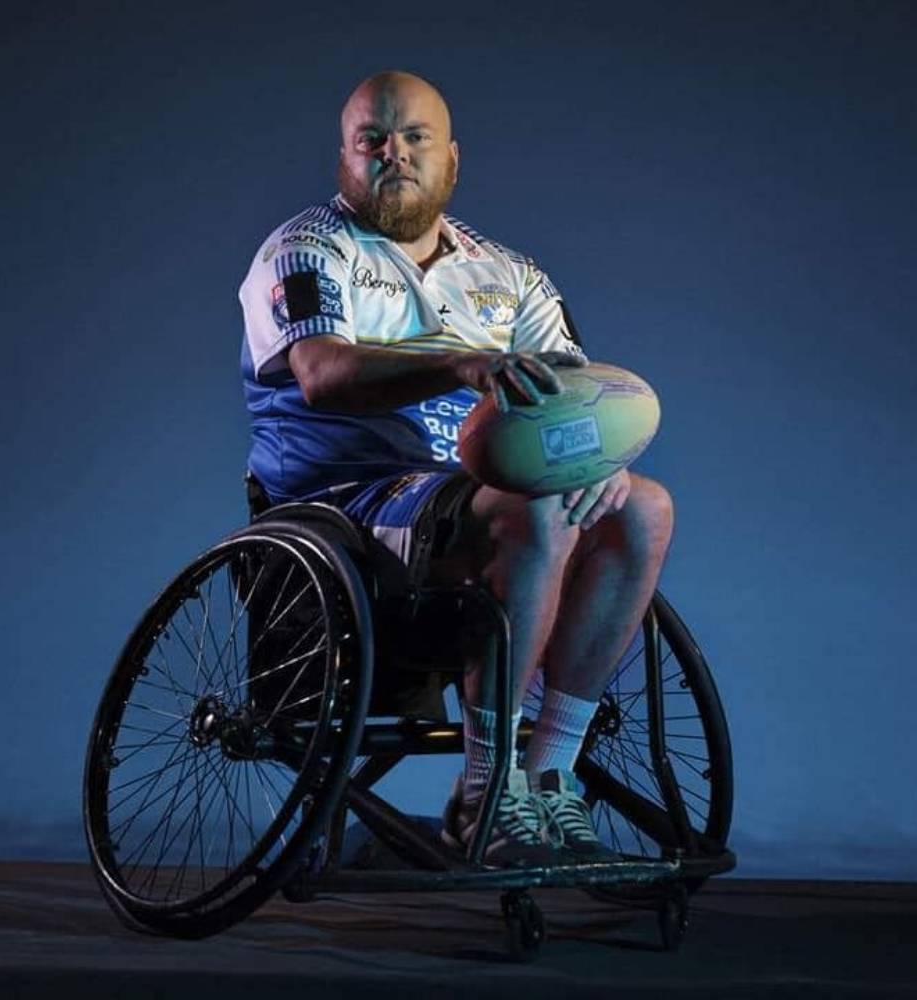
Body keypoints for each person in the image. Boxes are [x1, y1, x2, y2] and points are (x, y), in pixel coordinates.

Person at [239, 71, 674, 867]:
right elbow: (322, 375)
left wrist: (600, 459)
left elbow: (572, 395)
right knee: (531, 510)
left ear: (452, 159)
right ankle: (485, 790)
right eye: (372, 139)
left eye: (415, 139)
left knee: (641, 508)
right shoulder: (304, 249)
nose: (393, 155)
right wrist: (459, 362)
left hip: (476, 492)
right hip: (348, 502)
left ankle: (545, 779)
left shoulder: (511, 273)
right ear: (344, 157)